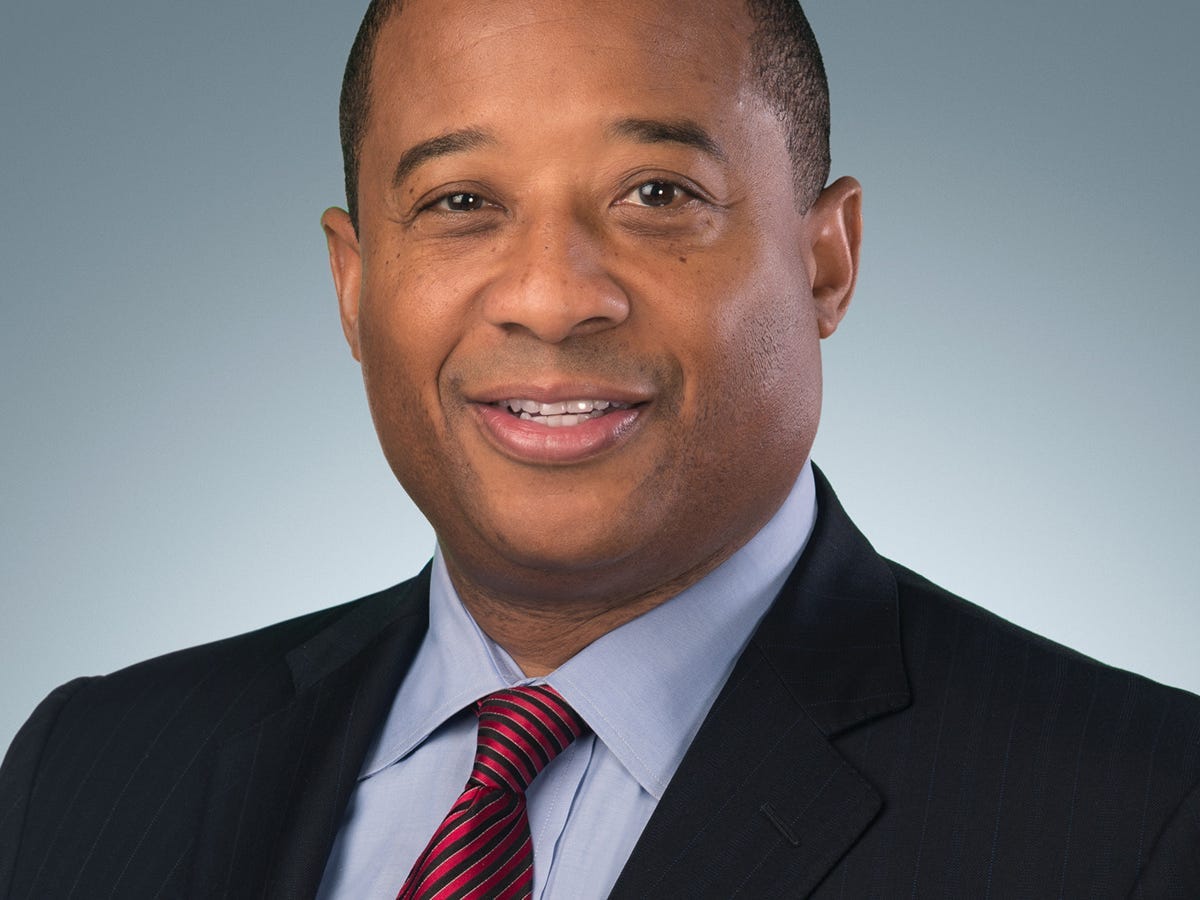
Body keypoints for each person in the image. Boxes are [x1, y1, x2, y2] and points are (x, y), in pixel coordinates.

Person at [2, 0, 1197, 896]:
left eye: (657, 195)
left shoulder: (1142, 816)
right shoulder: (92, 768)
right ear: (353, 287)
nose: (551, 296)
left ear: (825, 259)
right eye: (461, 203)